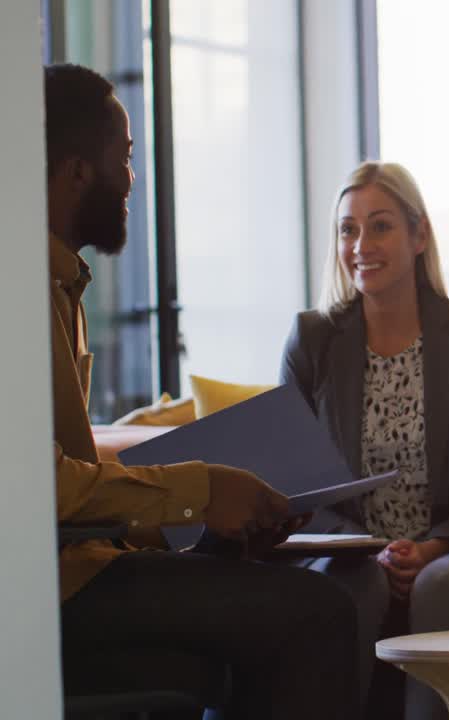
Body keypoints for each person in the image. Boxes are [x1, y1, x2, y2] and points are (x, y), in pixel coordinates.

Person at [48, 63, 358, 719]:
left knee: (231, 642)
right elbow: (36, 488)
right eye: (124, 158)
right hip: (47, 591)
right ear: (77, 171)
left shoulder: (63, 287)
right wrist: (202, 491)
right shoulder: (22, 293)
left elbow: (69, 488)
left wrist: (208, 521)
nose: (132, 178)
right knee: (318, 613)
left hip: (79, 570)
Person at [281, 161, 449, 719]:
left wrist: (431, 547)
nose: (362, 245)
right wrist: (369, 549)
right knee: (356, 584)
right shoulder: (312, 339)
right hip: (348, 554)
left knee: (441, 584)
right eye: (348, 229)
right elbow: (297, 491)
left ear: (420, 234)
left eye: (381, 226)